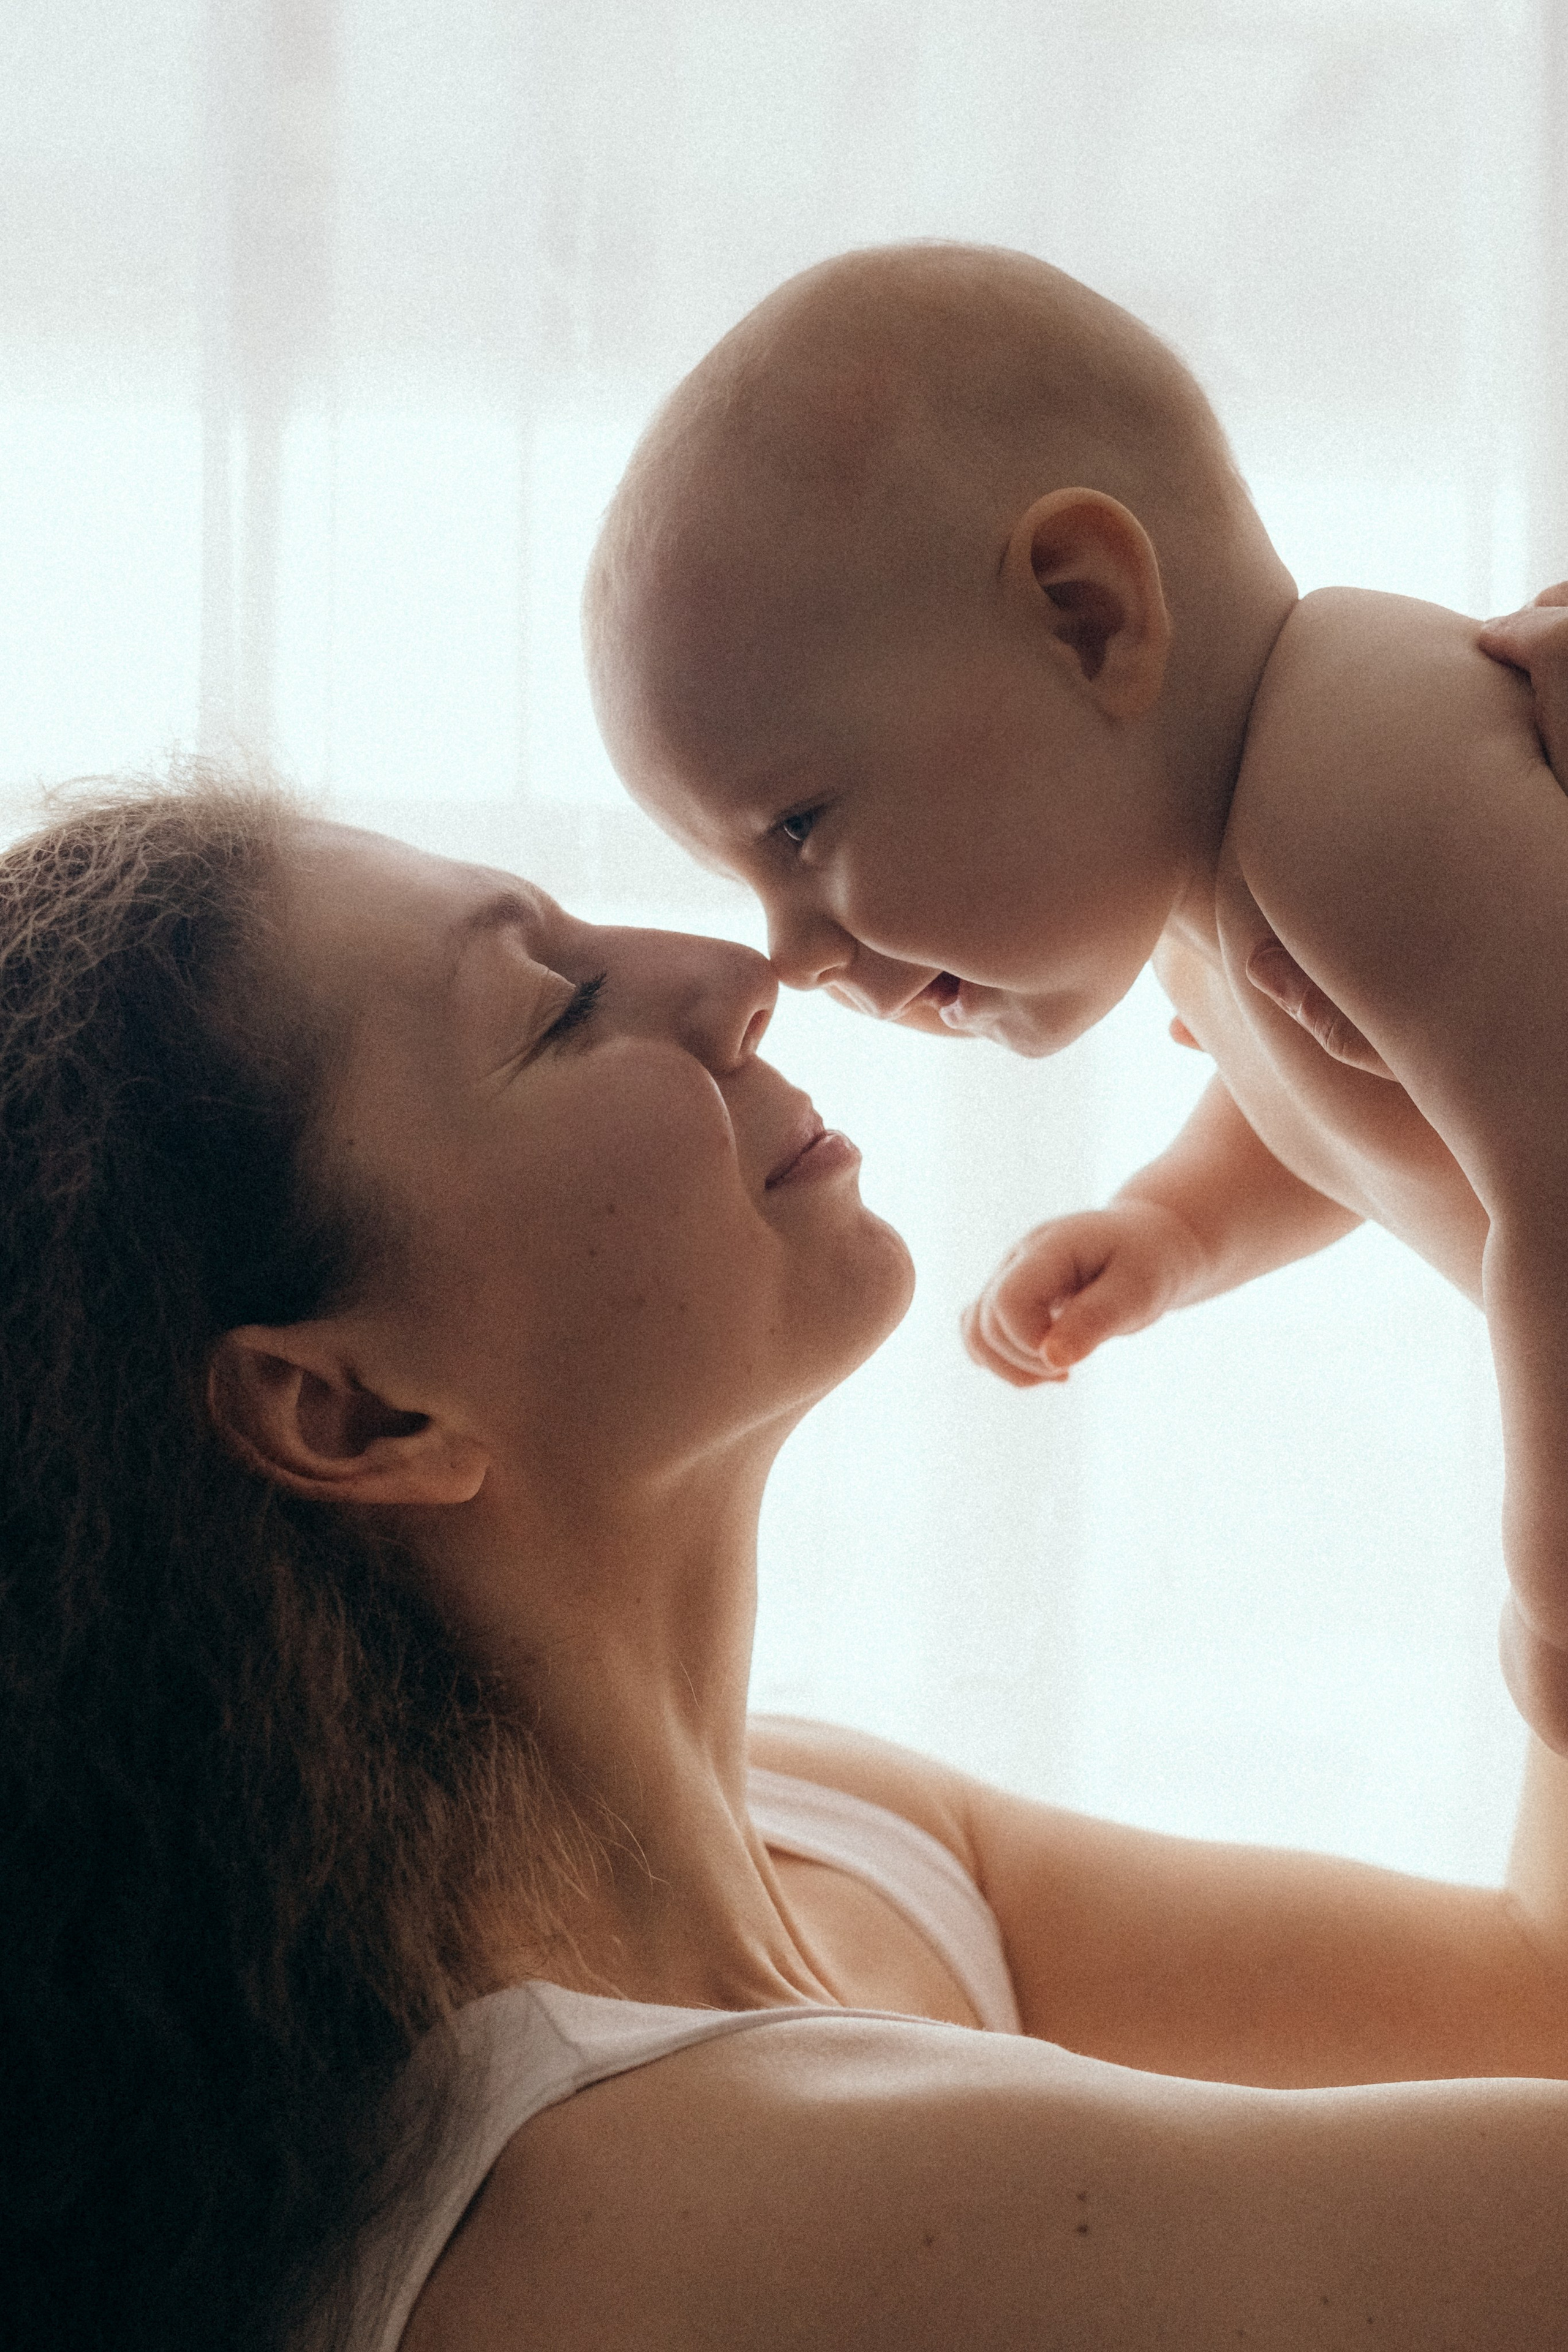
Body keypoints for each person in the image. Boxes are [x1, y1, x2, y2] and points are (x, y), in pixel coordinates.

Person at [12, 766, 1568, 2352]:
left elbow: (1535, 1990)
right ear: (353, 1411)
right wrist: (1467, 1058)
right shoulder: (675, 2217)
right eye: (555, 1009)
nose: (740, 977)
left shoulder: (834, 1833)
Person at [580, 238, 1568, 1753]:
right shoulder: (1236, 877)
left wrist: (1550, 1590)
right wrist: (1179, 1222)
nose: (790, 956)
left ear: (1087, 618)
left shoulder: (1354, 776)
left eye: (798, 830)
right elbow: (1360, 1101)